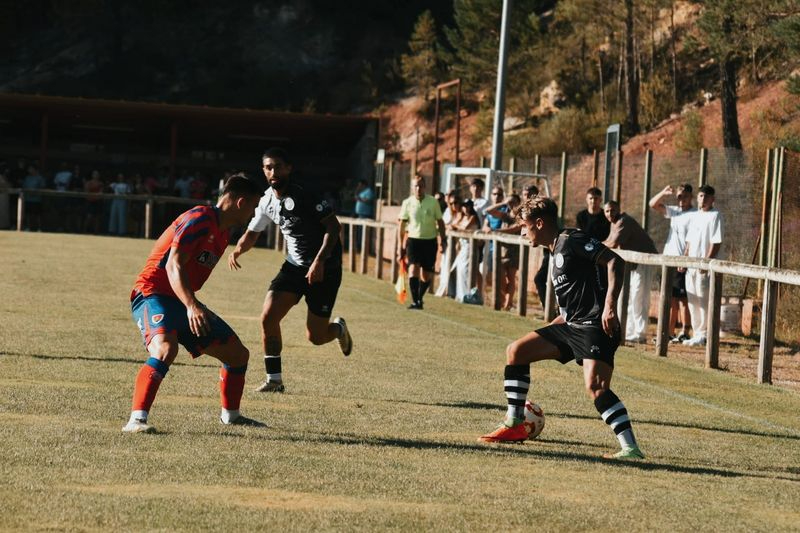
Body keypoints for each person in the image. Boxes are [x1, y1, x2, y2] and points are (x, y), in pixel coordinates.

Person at [479, 196, 643, 460]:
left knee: (596, 387)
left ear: (539, 223)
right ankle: (514, 423)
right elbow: (570, 306)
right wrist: (551, 328)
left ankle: (630, 448)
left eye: (525, 226)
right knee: (517, 351)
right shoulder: (554, 250)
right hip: (570, 325)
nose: (522, 233)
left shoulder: (572, 240)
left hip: (594, 326)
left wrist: (610, 306)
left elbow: (615, 261)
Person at [122, 175, 265, 433]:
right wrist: (192, 306)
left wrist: (191, 304)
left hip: (182, 300)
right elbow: (173, 265)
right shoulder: (199, 219)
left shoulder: (224, 232)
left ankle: (231, 417)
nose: (254, 213)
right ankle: (136, 420)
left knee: (237, 355)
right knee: (165, 349)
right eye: (254, 206)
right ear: (241, 202)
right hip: (152, 294)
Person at [228, 148, 353, 393]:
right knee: (268, 317)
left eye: (277, 166)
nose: (273, 171)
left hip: (325, 268)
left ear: (288, 168)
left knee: (316, 336)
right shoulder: (266, 200)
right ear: (263, 170)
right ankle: (274, 380)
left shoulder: (306, 194)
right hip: (295, 267)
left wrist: (319, 261)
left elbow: (333, 228)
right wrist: (237, 250)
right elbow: (253, 232)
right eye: (268, 167)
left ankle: (339, 329)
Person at [602, 201, 658, 344]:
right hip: (632, 265)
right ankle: (629, 331)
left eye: (613, 210)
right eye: (607, 211)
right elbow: (609, 241)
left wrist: (595, 244)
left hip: (645, 261)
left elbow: (612, 243)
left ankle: (640, 333)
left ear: (619, 209)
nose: (610, 213)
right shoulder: (614, 223)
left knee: (639, 297)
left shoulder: (624, 221)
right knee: (631, 297)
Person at [649, 183, 696, 343]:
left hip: (682, 262)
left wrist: (685, 259)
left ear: (691, 197)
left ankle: (685, 332)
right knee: (670, 298)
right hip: (668, 260)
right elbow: (652, 204)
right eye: (679, 196)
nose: (681, 199)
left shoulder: (695, 214)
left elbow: (692, 240)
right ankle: (669, 332)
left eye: (684, 196)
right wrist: (663, 192)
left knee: (682, 299)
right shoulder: (674, 211)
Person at [397, 174, 447, 310]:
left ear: (425, 187)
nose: (418, 189)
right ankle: (415, 301)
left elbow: (440, 222)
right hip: (413, 241)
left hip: (430, 241)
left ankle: (419, 297)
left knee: (426, 275)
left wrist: (443, 240)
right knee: (413, 269)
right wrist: (400, 245)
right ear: (412, 188)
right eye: (416, 186)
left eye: (421, 186)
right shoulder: (407, 203)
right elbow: (401, 225)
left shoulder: (433, 202)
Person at [682, 184, 723, 347]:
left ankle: (705, 334)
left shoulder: (716, 215)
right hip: (691, 267)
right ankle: (697, 333)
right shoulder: (695, 216)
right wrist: (684, 260)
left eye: (706, 196)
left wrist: (706, 263)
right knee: (693, 300)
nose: (703, 199)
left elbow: (716, 242)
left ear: (713, 199)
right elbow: (689, 242)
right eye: (700, 196)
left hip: (705, 268)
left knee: (705, 301)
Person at [484, 192, 522, 310]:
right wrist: (503, 203)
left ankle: (508, 303)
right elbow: (488, 211)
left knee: (511, 277)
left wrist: (495, 231)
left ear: (518, 203)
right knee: (500, 277)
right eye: (509, 202)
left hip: (514, 250)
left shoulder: (521, 216)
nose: (511, 204)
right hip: (501, 250)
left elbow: (513, 229)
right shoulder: (505, 215)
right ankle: (503, 299)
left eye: (513, 202)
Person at [449, 198, 480, 302]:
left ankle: (467, 295)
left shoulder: (473, 217)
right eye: (464, 206)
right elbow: (454, 225)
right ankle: (460, 295)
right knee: (458, 270)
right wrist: (456, 225)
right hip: (463, 247)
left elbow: (465, 228)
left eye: (467, 206)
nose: (465, 208)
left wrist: (455, 225)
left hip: (471, 247)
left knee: (465, 271)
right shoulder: (462, 217)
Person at [22, 164, 46, 231]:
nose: (29, 170)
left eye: (31, 169)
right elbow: (24, 187)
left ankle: (39, 228)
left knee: (37, 214)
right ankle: (28, 227)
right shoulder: (27, 178)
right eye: (29, 169)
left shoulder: (40, 178)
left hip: (37, 200)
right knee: (28, 214)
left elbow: (43, 187)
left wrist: (36, 192)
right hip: (28, 199)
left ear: (35, 170)